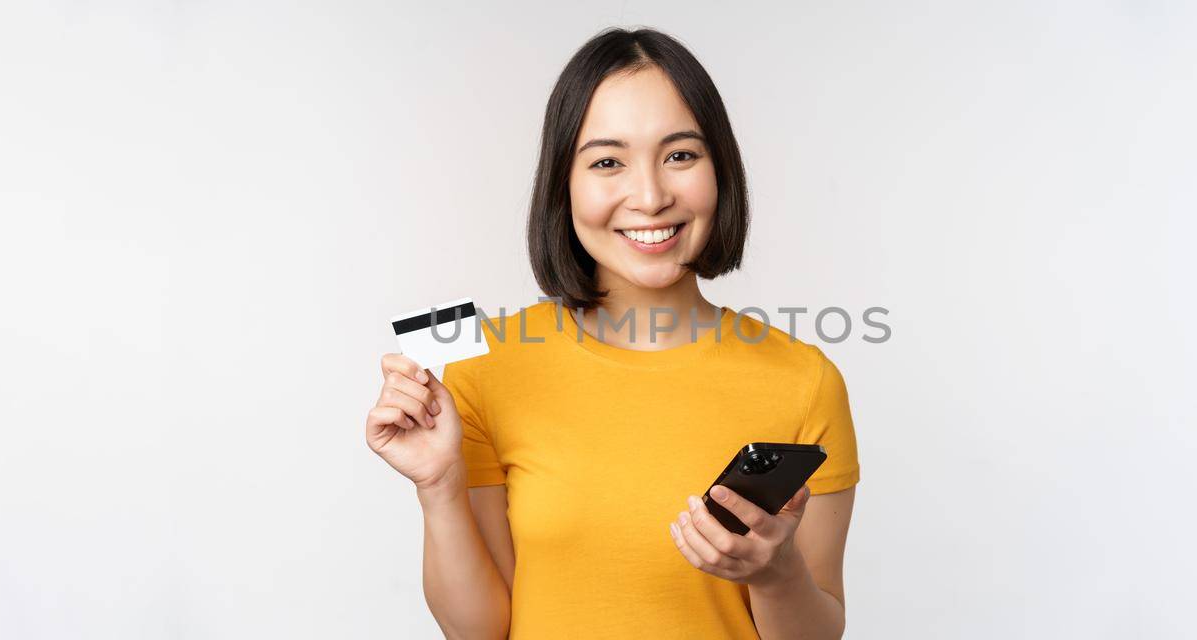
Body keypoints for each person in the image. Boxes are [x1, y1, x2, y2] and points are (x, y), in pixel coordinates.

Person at [366, 27, 859, 639]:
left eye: (680, 155)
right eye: (607, 162)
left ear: (720, 170)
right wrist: (440, 487)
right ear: (562, 184)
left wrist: (776, 574)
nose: (650, 196)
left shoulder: (805, 380)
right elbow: (480, 633)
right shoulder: (484, 367)